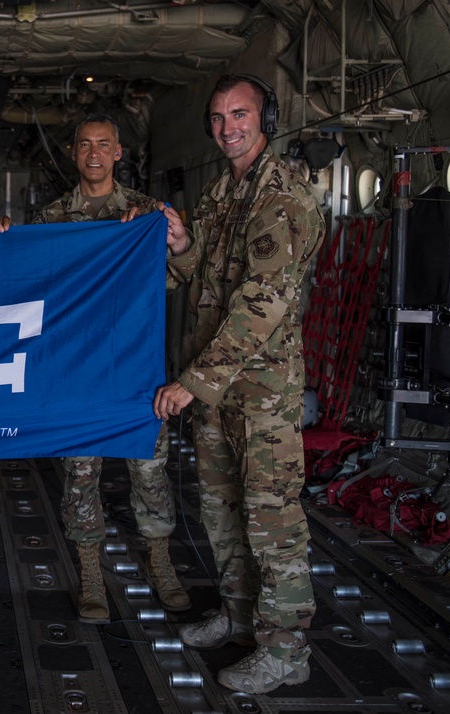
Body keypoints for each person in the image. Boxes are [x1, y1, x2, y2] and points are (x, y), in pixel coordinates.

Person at [155, 74, 325, 694]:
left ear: (266, 118)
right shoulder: (223, 192)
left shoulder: (281, 194)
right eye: (220, 116)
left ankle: (285, 649)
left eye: (241, 113)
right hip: (217, 391)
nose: (229, 126)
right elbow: (201, 270)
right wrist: (180, 243)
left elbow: (263, 301)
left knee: (271, 519)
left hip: (262, 395)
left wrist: (192, 383)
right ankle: (237, 614)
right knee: (221, 510)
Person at [0, 113, 190, 622]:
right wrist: (0, 244)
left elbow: (184, 275)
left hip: (136, 370)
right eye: (85, 145)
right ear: (73, 152)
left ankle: (161, 563)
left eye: (105, 144)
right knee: (80, 477)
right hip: (76, 372)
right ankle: (89, 573)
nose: (95, 153)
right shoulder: (50, 220)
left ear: (119, 152)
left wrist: (175, 241)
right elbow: (23, 285)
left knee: (149, 470)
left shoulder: (148, 213)